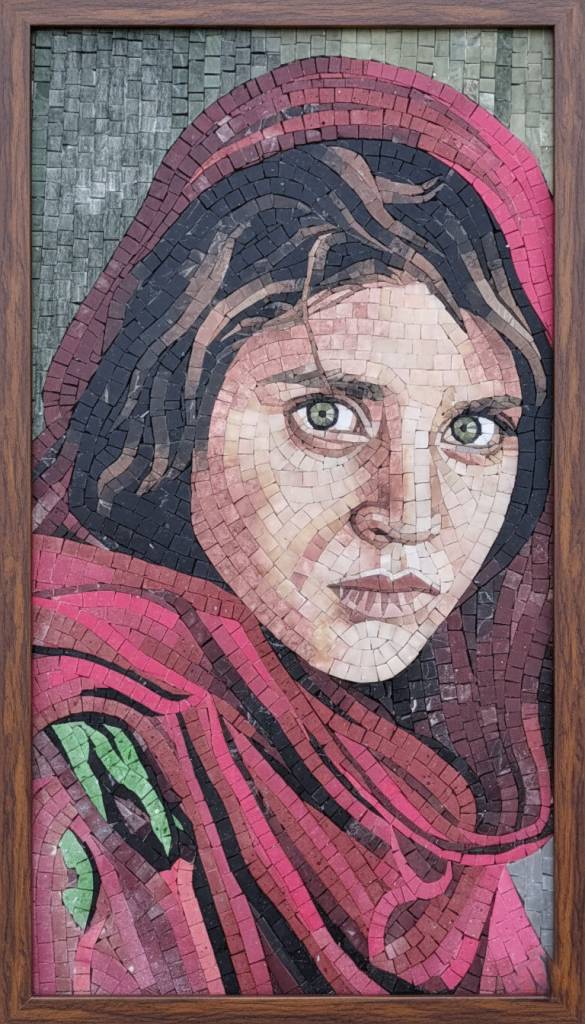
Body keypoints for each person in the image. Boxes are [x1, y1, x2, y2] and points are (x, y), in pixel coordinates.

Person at [32, 57, 553, 996]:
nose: (410, 514)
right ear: (172, 417)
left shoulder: (424, 795)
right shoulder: (65, 767)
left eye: (475, 429)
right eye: (327, 414)